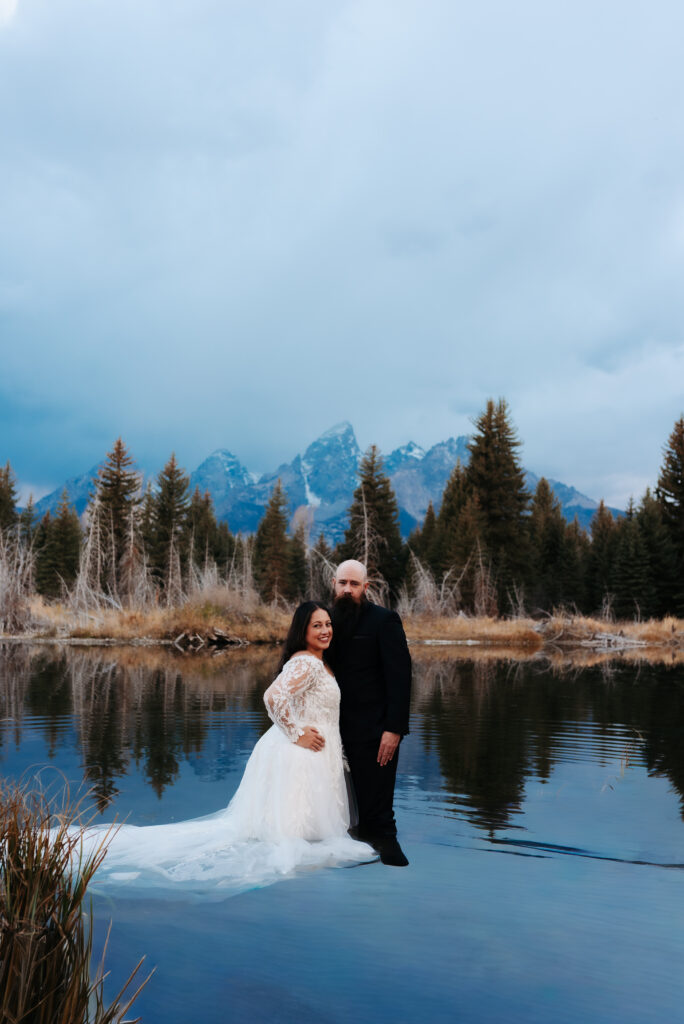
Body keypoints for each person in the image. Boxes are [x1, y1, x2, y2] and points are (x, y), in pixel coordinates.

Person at [75, 602, 374, 893]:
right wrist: (296, 733)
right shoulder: (307, 663)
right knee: (294, 839)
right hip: (303, 752)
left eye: (328, 624)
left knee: (300, 835)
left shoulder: (316, 661)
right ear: (302, 630)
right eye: (317, 625)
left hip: (316, 752)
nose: (325, 630)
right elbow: (273, 697)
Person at [328, 559, 412, 867]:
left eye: (354, 583)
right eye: (342, 583)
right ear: (333, 584)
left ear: (366, 587)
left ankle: (386, 849)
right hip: (331, 729)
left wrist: (394, 729)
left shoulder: (384, 620)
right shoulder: (324, 622)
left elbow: (400, 678)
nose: (347, 589)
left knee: (377, 805)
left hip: (375, 730)